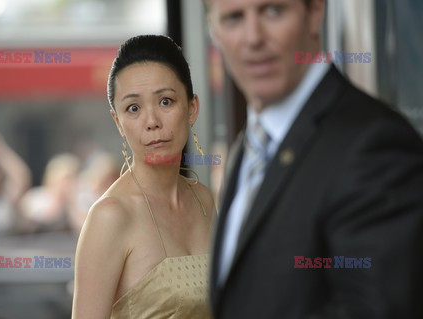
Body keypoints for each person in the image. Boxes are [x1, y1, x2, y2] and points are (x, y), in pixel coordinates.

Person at [205, 0, 423, 318]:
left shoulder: (374, 143)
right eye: (233, 18)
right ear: (213, 30)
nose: (253, 37)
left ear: (315, 12)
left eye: (273, 11)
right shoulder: (246, 148)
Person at [72, 35, 216, 319]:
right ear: (118, 122)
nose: (152, 122)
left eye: (165, 101)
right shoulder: (110, 216)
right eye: (133, 108)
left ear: (192, 108)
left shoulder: (204, 200)